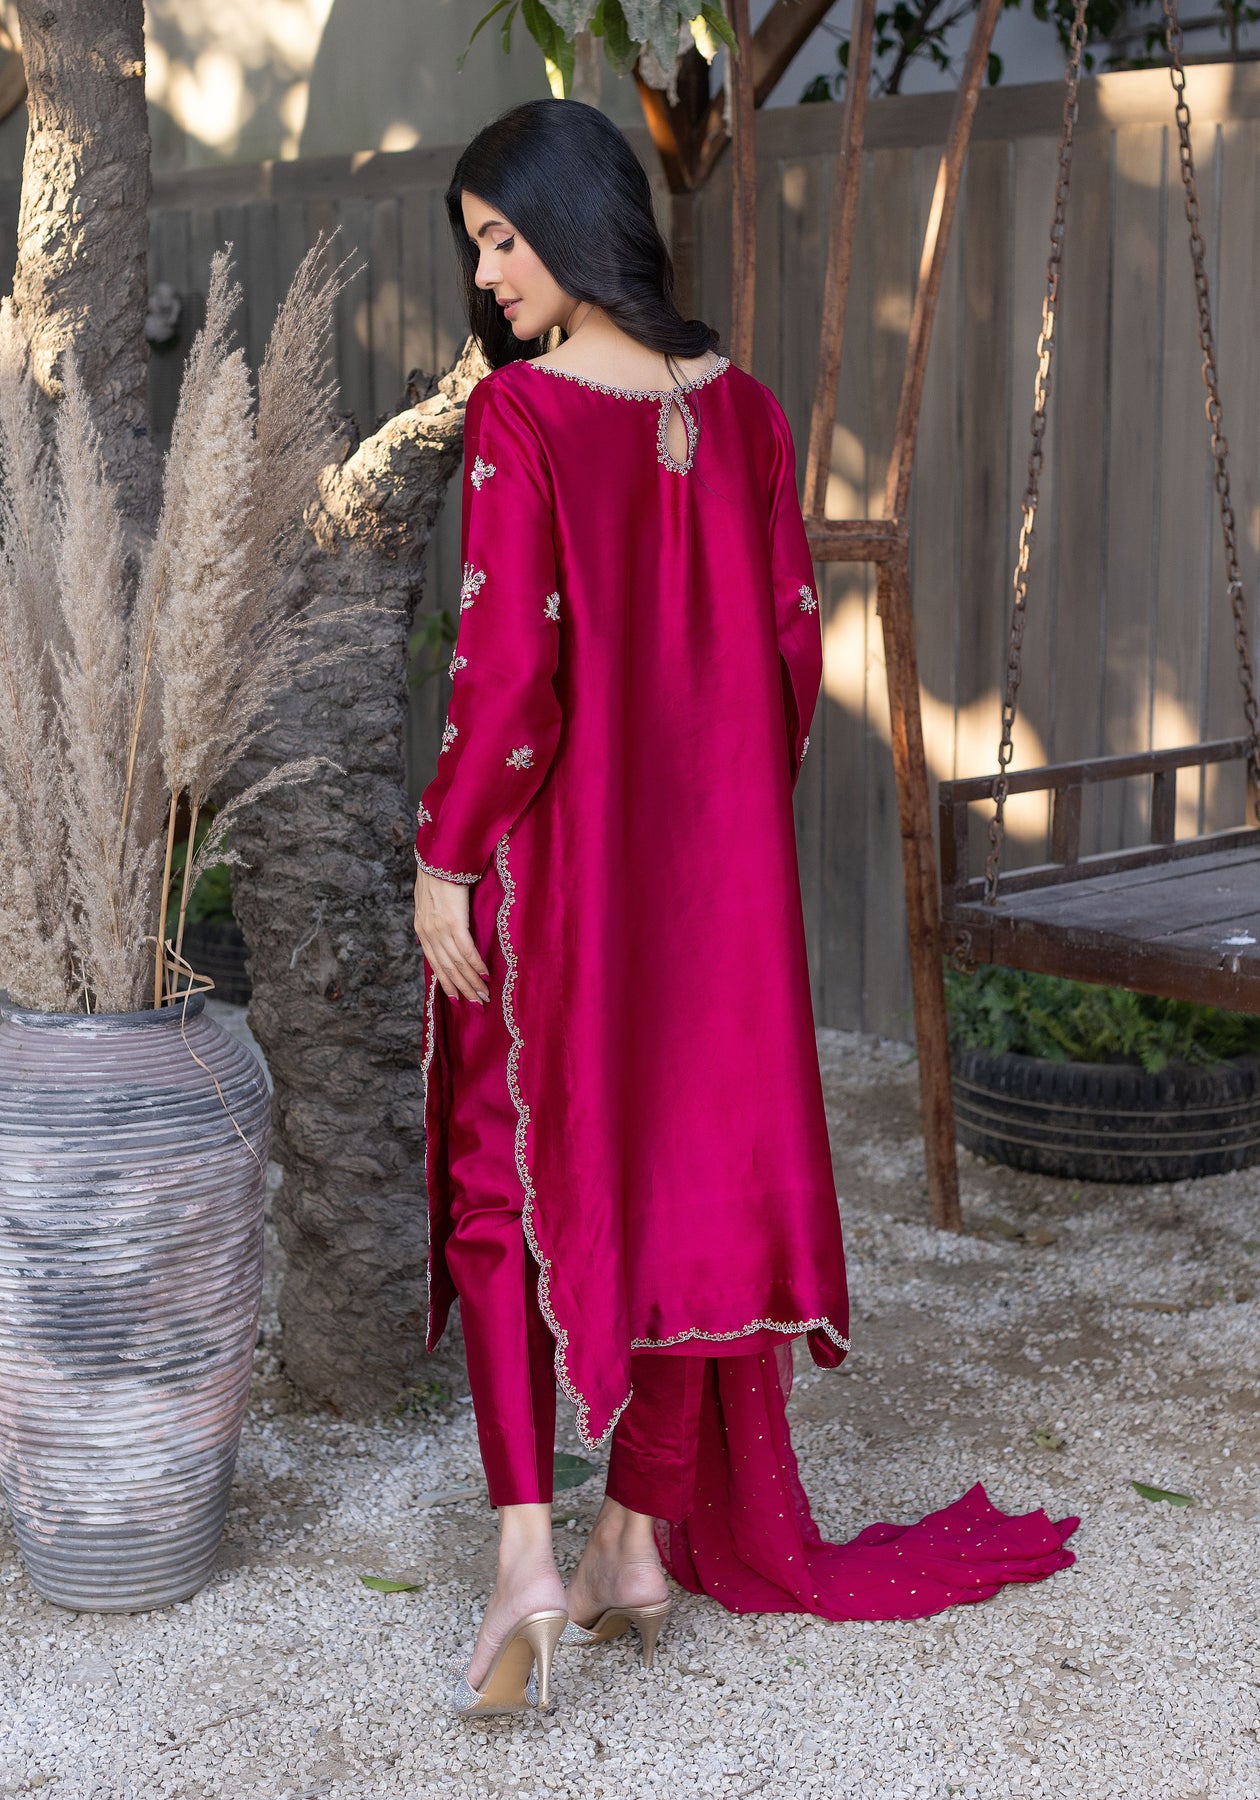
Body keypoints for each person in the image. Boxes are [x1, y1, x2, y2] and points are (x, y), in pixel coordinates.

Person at [412, 97, 1077, 1721]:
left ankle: (530, 1562)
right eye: (478, 248)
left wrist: (446, 854)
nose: (488, 276)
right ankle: (634, 1541)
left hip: (560, 891)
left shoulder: (524, 420)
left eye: (502, 238)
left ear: (576, 221)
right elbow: (788, 658)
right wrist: (706, 832)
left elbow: (509, 681)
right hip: (716, 902)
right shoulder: (753, 414)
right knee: (687, 1192)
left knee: (501, 1183)